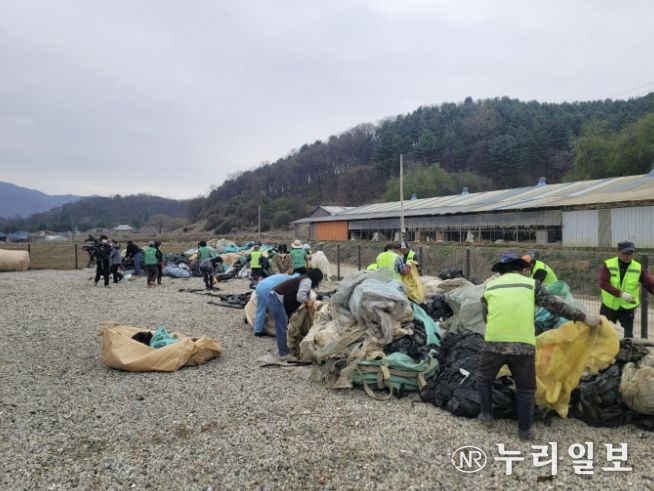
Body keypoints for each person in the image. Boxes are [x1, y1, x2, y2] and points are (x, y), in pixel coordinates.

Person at [478, 252, 600, 441]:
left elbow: (486, 316)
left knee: (484, 379)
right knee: (526, 388)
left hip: (493, 343)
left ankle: (486, 416)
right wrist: (583, 317)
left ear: (500, 272)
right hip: (523, 345)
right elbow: (555, 305)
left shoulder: (489, 286)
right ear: (521, 269)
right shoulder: (531, 285)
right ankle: (524, 431)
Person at [265, 269, 324, 360]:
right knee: (282, 327)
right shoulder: (307, 281)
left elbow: (306, 295)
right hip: (275, 299)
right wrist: (307, 302)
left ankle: (281, 350)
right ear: (316, 279)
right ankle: (283, 354)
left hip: (273, 297)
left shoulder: (303, 279)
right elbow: (300, 296)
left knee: (281, 325)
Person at [600, 241, 654, 338]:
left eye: (630, 253)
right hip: (609, 307)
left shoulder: (637, 267)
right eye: (625, 253)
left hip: (627, 308)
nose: (628, 256)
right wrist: (621, 294)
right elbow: (604, 284)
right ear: (618, 252)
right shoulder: (609, 264)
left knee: (628, 336)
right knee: (602, 333)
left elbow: (650, 284)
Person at [253, 272, 298, 336]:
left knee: (261, 309)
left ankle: (257, 331)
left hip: (259, 286)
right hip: (268, 288)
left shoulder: (284, 276)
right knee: (279, 311)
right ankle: (283, 332)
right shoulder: (291, 282)